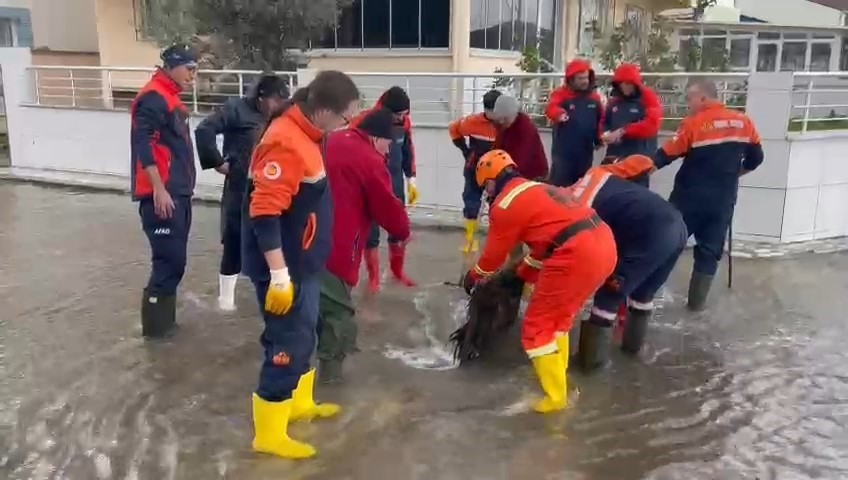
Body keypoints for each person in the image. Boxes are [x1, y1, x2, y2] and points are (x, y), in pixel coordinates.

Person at [241, 70, 360, 460]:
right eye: (345, 117)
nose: (346, 125)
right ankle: (269, 434)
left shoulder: (310, 134)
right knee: (287, 343)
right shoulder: (286, 141)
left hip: (303, 262)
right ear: (324, 110)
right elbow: (264, 213)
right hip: (284, 267)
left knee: (304, 333)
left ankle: (298, 404)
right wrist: (278, 275)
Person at [462, 150, 617, 414]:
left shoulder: (505, 204)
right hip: (604, 244)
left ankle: (556, 400)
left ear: (490, 180)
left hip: (576, 252)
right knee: (560, 320)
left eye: (485, 187)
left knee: (536, 328)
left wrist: (472, 277)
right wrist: (522, 274)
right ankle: (562, 381)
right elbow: (546, 243)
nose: (487, 193)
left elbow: (491, 259)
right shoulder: (537, 188)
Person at [562, 154, 688, 371]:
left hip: (653, 232)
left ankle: (589, 366)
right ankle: (632, 351)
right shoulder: (598, 175)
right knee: (641, 294)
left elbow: (576, 250)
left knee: (607, 295)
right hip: (678, 228)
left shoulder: (574, 205)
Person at [318, 108, 412, 383]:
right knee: (338, 316)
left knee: (309, 312)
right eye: (388, 143)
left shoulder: (330, 140)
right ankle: (330, 381)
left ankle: (302, 375)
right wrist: (402, 232)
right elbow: (388, 207)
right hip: (336, 248)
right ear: (376, 138)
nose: (389, 149)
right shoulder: (369, 160)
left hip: (302, 242)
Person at [653, 79, 764, 311]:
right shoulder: (744, 122)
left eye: (690, 98)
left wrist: (633, 171)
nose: (688, 104)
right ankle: (695, 307)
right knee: (710, 251)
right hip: (723, 199)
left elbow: (664, 156)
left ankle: (644, 299)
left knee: (668, 243)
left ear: (702, 98)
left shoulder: (693, 124)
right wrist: (735, 174)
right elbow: (756, 158)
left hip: (688, 198)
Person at [195, 75, 291, 311]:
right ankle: (226, 301)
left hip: (269, 188)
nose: (278, 106)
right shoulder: (236, 109)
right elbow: (204, 129)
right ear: (260, 97)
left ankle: (273, 293)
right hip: (239, 188)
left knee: (270, 240)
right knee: (233, 240)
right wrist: (217, 162)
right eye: (274, 100)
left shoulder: (280, 117)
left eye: (282, 101)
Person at [130, 44, 198, 339]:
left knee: (176, 263)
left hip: (178, 193)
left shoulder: (170, 98)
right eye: (189, 69)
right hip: (162, 195)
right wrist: (158, 189)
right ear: (171, 66)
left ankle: (165, 328)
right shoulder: (154, 97)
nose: (193, 77)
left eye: (196, 70)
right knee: (168, 262)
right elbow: (142, 144)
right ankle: (154, 335)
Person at [351, 86, 418, 292]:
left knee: (399, 229)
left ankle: (398, 272)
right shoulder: (365, 121)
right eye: (399, 114)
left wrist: (412, 178)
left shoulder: (404, 124)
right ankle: (373, 279)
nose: (402, 118)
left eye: (405, 114)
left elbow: (408, 151)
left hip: (395, 181)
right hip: (370, 183)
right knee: (370, 235)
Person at [448, 89, 502, 253]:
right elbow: (453, 129)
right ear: (487, 110)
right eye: (495, 111)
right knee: (471, 201)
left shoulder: (505, 123)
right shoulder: (472, 122)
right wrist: (465, 151)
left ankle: (497, 241)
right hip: (475, 168)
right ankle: (471, 239)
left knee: (498, 205)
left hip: (498, 169)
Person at [546, 59, 605, 187]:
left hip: (585, 152)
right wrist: (559, 114)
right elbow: (551, 108)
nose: (585, 81)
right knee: (559, 188)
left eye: (586, 78)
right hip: (563, 153)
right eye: (580, 78)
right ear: (571, 79)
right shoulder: (561, 94)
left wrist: (599, 138)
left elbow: (600, 119)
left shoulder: (594, 99)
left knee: (581, 188)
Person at [602, 63, 662, 186]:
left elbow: (652, 125)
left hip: (639, 157)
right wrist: (604, 134)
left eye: (630, 84)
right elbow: (605, 122)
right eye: (623, 83)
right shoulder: (614, 102)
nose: (626, 87)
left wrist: (623, 131)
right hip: (616, 157)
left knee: (637, 195)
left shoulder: (649, 98)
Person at [491, 95, 549, 181]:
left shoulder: (525, 127)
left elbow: (521, 158)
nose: (501, 121)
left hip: (533, 175)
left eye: (505, 118)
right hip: (511, 171)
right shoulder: (502, 125)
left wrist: (501, 176)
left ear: (514, 113)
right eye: (499, 118)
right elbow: (497, 150)